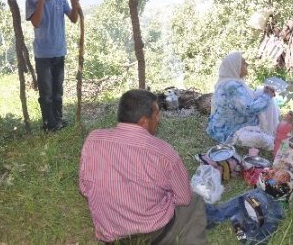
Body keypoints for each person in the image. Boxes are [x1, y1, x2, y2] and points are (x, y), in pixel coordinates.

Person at [79, 89, 207, 244]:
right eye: (156, 114)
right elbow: (183, 198)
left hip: (112, 238)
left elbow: (85, 188)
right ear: (143, 121)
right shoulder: (164, 153)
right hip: (152, 235)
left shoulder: (94, 139)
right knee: (195, 200)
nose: (158, 119)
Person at [25, 0, 80, 132]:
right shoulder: (31, 0)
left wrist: (74, 2)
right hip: (43, 54)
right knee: (46, 92)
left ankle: (58, 120)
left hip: (59, 51)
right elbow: (36, 22)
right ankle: (48, 124)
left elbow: (73, 19)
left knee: (58, 91)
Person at [206, 52, 277, 144]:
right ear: (235, 66)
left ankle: (270, 132)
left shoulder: (230, 82)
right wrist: (266, 96)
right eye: (243, 63)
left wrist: (264, 93)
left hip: (225, 128)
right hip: (228, 132)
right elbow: (248, 109)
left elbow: (246, 100)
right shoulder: (232, 86)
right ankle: (271, 132)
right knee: (265, 141)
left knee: (261, 93)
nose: (247, 64)